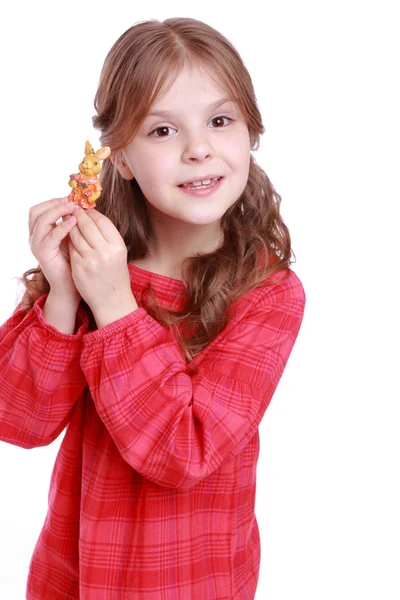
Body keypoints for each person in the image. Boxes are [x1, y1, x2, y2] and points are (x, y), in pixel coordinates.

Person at [0, 17, 306, 600]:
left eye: (220, 121)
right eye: (163, 131)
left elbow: (183, 450)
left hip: (193, 582)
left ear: (250, 133)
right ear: (118, 157)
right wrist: (65, 292)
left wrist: (115, 307)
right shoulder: (98, 265)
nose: (199, 149)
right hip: (75, 578)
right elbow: (18, 419)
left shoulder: (267, 293)